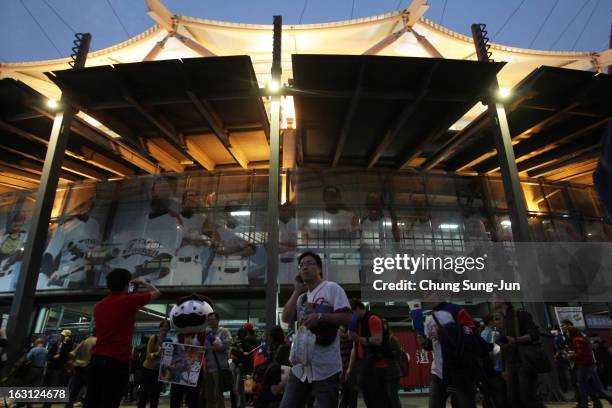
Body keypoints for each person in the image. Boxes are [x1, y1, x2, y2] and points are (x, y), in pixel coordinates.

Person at [279, 251, 352, 408]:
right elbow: (285, 318)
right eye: (302, 265)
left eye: (310, 263)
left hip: (326, 366)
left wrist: (320, 317)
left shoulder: (331, 288)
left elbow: (347, 317)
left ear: (319, 269)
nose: (305, 267)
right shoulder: (301, 298)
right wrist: (297, 290)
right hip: (300, 367)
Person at [84, 268, 160, 408]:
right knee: (111, 400)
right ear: (127, 283)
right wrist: (143, 282)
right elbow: (156, 292)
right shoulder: (129, 301)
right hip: (117, 361)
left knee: (92, 399)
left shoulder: (99, 306)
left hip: (96, 359)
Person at [422, 306, 477, 408]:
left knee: (462, 403)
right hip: (438, 371)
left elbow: (471, 334)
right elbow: (429, 343)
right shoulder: (428, 318)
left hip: (458, 369)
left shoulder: (456, 311)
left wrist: (444, 332)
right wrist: (425, 341)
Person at [494, 301, 542, 408]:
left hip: (524, 361)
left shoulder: (521, 315)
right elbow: (504, 347)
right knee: (513, 398)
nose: (492, 300)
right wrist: (504, 368)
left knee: (528, 398)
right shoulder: (502, 320)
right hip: (511, 363)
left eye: (494, 297)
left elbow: (534, 334)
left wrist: (516, 339)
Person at [347, 299, 392, 408]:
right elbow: (355, 347)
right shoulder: (358, 322)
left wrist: (357, 338)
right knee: (369, 398)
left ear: (357, 308)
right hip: (364, 366)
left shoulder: (372, 318)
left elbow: (377, 340)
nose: (351, 316)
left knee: (379, 399)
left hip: (377, 366)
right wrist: (350, 368)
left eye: (352, 313)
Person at [566, 327, 612, 408]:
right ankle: (605, 401)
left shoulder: (577, 340)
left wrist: (571, 356)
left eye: (567, 332)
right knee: (593, 387)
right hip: (588, 365)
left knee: (582, 386)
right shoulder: (581, 339)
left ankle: (584, 405)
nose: (567, 334)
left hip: (583, 365)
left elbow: (581, 354)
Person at [139, 320, 172, 408]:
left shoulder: (169, 341)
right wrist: (157, 353)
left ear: (169, 329)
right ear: (160, 328)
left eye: (167, 326)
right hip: (147, 369)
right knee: (143, 394)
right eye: (163, 326)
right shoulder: (153, 338)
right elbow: (148, 356)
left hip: (158, 371)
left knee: (155, 396)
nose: (164, 328)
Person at [204, 311, 233, 408]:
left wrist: (218, 347)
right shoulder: (207, 334)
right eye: (209, 320)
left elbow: (228, 345)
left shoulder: (224, 331)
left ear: (218, 320)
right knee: (208, 395)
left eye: (212, 319)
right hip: (208, 368)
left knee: (218, 394)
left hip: (219, 367)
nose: (210, 322)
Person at [42, 329, 74, 408]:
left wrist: (65, 343)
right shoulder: (56, 343)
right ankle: (45, 404)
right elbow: (49, 354)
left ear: (68, 337)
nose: (61, 336)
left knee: (53, 386)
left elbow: (65, 354)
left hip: (58, 368)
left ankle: (48, 405)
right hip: (51, 366)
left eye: (63, 336)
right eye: (61, 335)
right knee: (46, 385)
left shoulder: (68, 345)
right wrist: (52, 357)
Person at [254, 341, 291, 408]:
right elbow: (274, 391)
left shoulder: (274, 365)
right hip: (268, 403)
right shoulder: (276, 368)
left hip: (265, 401)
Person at [66, 331, 97, 408]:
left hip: (79, 367)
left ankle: (68, 406)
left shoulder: (85, 341)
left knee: (74, 391)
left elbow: (72, 353)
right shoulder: (98, 342)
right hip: (90, 368)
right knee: (91, 392)